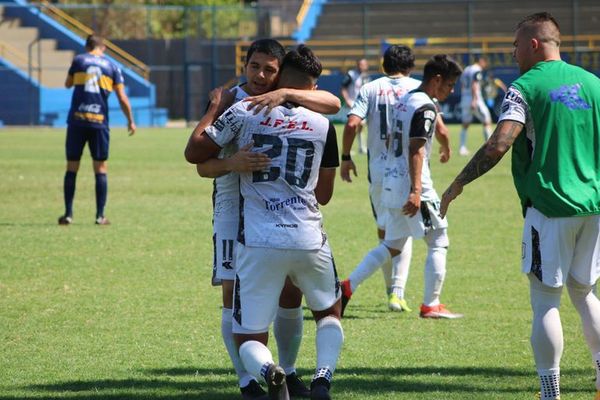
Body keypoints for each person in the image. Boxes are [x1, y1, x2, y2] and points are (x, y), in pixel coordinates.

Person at [440, 12, 600, 400]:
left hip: (549, 207)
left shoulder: (524, 87)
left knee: (547, 300)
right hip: (593, 208)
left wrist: (457, 184)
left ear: (533, 43)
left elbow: (498, 144)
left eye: (515, 46)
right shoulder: (595, 84)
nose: (511, 54)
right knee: (584, 292)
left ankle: (549, 393)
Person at [185, 39, 340, 400]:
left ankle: (286, 371)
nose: (260, 75)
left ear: (281, 72)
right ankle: (247, 382)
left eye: (269, 69)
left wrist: (287, 92)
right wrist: (228, 156)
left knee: (290, 294)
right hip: (233, 210)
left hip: (270, 217)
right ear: (245, 65)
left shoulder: (292, 98)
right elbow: (196, 156)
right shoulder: (234, 101)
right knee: (232, 295)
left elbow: (333, 101)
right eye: (255, 66)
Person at [342, 54, 463, 320]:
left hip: (390, 181)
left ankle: (347, 287)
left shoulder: (404, 101)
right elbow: (416, 150)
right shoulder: (425, 106)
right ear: (437, 79)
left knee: (392, 244)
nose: (451, 91)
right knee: (439, 239)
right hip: (413, 184)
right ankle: (431, 304)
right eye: (450, 85)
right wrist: (417, 191)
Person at [339, 45, 420, 313]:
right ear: (411, 66)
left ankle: (391, 291)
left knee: (386, 231)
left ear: (384, 65)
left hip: (378, 171)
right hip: (410, 171)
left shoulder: (370, 88)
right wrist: (444, 145)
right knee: (403, 234)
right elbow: (437, 127)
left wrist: (346, 156)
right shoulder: (419, 88)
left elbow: (352, 124)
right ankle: (394, 292)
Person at [58, 34, 136, 226]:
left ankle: (68, 214)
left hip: (77, 121)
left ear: (87, 47)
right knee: (100, 167)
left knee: (72, 166)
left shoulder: (78, 61)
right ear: (104, 48)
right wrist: (130, 121)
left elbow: (68, 84)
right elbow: (122, 98)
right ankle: (100, 216)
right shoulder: (112, 67)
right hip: (99, 122)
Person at [458, 56, 492, 156]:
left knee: (465, 124)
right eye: (485, 63)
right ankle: (489, 148)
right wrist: (474, 100)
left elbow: (463, 84)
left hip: (465, 98)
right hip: (475, 99)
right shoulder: (477, 70)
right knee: (487, 122)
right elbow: (474, 84)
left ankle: (462, 148)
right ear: (481, 61)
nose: (485, 66)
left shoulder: (467, 69)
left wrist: (465, 98)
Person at [341, 58, 370, 154]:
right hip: (352, 103)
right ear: (357, 65)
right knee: (353, 125)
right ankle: (351, 148)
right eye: (360, 64)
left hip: (362, 103)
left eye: (364, 64)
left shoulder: (366, 76)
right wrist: (347, 100)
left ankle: (361, 147)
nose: (362, 66)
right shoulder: (351, 74)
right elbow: (343, 88)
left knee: (361, 125)